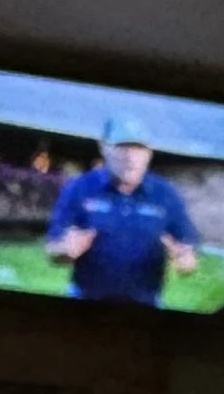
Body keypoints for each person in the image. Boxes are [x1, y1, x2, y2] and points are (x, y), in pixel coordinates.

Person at [45, 114, 201, 304]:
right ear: (103, 147)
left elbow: (188, 255)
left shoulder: (165, 194)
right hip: (86, 297)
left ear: (149, 152)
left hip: (146, 303)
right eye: (122, 147)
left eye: (138, 148)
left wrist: (184, 259)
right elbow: (53, 249)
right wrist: (65, 251)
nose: (130, 157)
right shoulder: (80, 187)